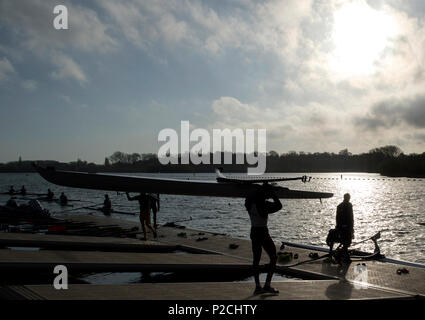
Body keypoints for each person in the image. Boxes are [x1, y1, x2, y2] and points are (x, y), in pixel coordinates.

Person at [245, 187, 282, 295]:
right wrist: (273, 195)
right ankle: (267, 285)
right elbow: (279, 206)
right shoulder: (264, 206)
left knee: (256, 260)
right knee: (274, 257)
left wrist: (256, 191)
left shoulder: (249, 205)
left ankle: (257, 286)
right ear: (263, 197)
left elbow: (247, 199)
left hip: (253, 231)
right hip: (263, 232)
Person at [327, 193, 354, 263]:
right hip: (345, 229)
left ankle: (341, 254)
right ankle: (342, 255)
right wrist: (351, 228)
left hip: (340, 227)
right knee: (347, 240)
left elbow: (337, 219)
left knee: (346, 239)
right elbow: (351, 218)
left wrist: (339, 226)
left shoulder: (339, 206)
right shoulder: (349, 205)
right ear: (348, 198)